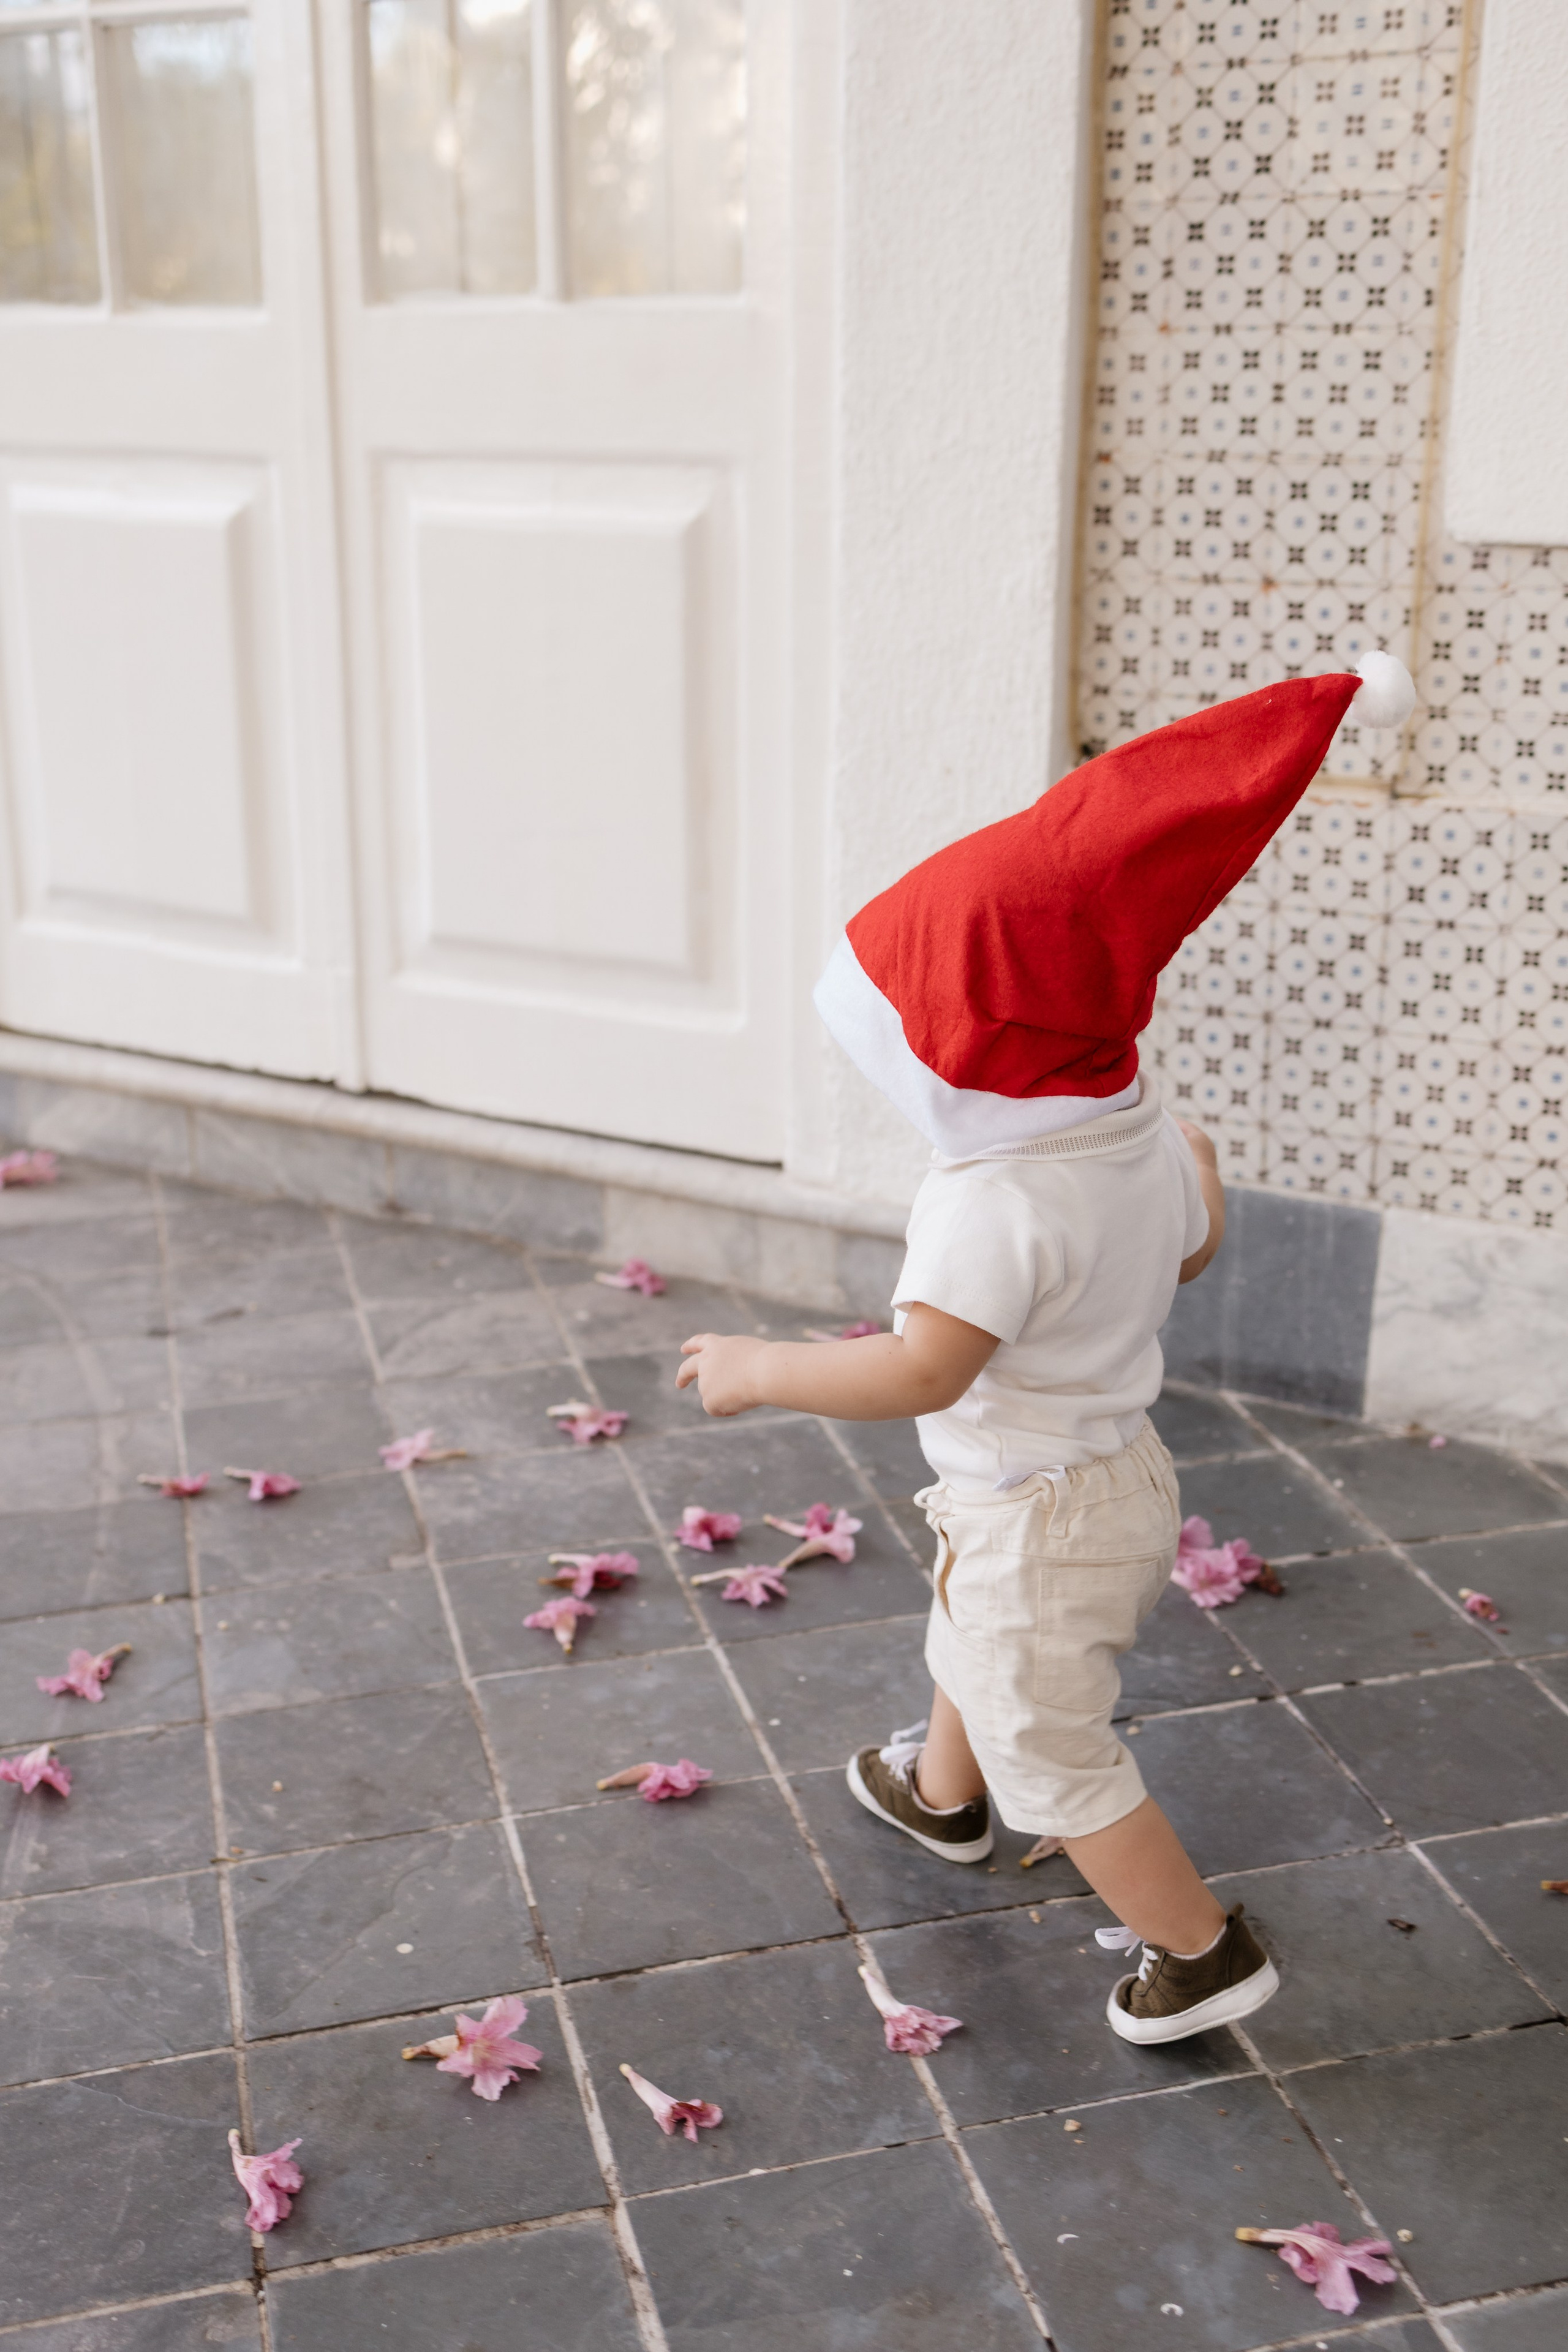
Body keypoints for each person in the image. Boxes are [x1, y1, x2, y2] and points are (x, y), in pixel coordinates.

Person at [677, 653, 1415, 2044]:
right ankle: (937, 1798)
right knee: (984, 1650)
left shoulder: (989, 1205)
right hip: (1108, 1475)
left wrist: (764, 1365)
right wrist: (1184, 1195)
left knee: (1053, 1750)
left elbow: (920, 1373)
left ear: (961, 1062)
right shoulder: (1135, 1127)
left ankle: (1197, 1951)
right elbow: (1188, 1243)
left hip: (1037, 1512)